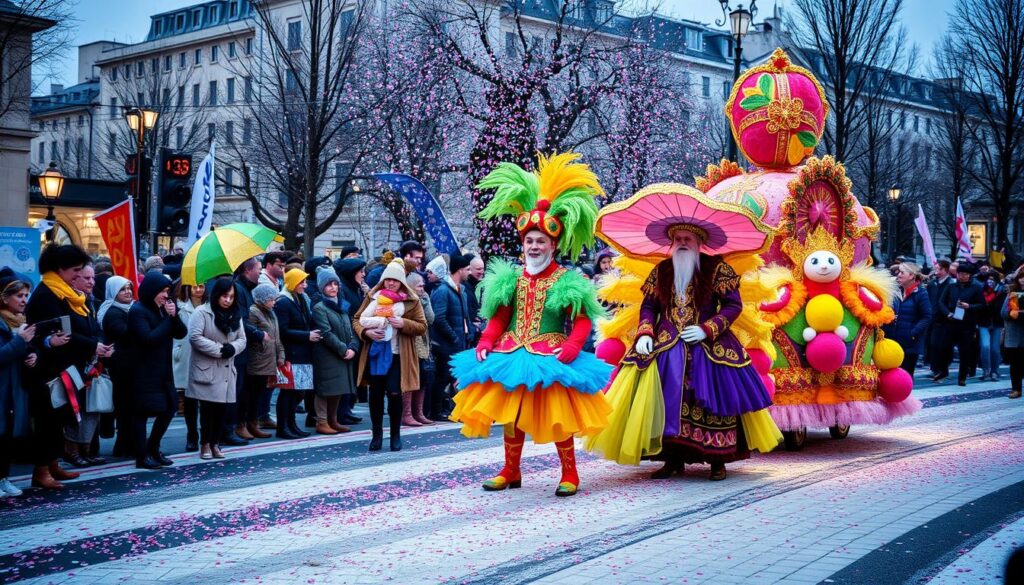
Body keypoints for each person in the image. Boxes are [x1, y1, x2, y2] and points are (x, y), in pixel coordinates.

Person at [449, 152, 614, 497]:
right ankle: (511, 470)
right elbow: (499, 318)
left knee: (559, 416)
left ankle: (569, 473)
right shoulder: (510, 279)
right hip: (511, 352)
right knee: (510, 416)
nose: (534, 246)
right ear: (522, 246)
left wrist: (571, 348)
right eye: (529, 241)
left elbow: (582, 321)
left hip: (551, 356)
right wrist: (485, 342)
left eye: (541, 241)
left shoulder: (567, 281)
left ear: (553, 245)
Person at [586, 219, 781, 481]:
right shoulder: (662, 271)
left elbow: (733, 306)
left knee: (714, 398)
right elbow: (649, 307)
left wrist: (708, 329)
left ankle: (717, 460)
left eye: (687, 239)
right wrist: (645, 331)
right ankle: (672, 460)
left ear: (700, 242)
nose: (682, 244)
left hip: (710, 346)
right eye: (677, 240)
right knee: (665, 401)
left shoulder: (717, 270)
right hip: (667, 344)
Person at [26, 245, 110, 490]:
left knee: (59, 420)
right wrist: (93, 346)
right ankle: (41, 470)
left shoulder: (64, 292)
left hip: (65, 366)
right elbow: (61, 333)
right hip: (48, 369)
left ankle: (52, 463)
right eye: (75, 270)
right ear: (59, 269)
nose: (78, 275)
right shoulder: (47, 294)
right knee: (47, 421)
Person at [353, 259, 427, 452]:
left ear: (401, 281)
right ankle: (376, 435)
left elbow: (422, 326)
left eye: (395, 280)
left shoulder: (411, 301)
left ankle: (395, 435)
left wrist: (403, 324)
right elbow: (357, 320)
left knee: (395, 393)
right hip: (375, 353)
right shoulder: (373, 297)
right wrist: (366, 333)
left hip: (398, 354)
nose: (391, 283)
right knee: (375, 394)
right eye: (387, 280)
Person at [128, 272, 187, 469]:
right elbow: (148, 338)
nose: (165, 296)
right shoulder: (138, 310)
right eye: (162, 292)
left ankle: (153, 447)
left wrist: (174, 316)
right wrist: (168, 320)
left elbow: (181, 332)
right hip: (143, 370)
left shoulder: (164, 309)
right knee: (141, 414)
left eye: (168, 292)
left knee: (170, 408)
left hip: (163, 369)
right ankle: (141, 454)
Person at [188, 277, 246, 459]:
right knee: (207, 410)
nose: (227, 300)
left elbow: (242, 339)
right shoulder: (202, 312)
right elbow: (195, 338)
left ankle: (215, 443)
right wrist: (221, 350)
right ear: (216, 295)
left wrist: (233, 348)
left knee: (221, 410)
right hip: (208, 367)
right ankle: (205, 444)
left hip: (227, 369)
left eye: (231, 297)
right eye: (224, 296)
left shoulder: (236, 314)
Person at [63, 264, 104, 467]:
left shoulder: (91, 300)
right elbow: (68, 334)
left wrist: (102, 344)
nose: (91, 282)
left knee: (90, 407)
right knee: (74, 407)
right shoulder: (68, 301)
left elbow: (96, 328)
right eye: (86, 278)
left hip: (91, 361)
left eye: (93, 278)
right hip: (73, 362)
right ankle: (72, 450)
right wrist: (94, 344)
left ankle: (86, 449)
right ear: (74, 279)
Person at [311, 267, 359, 434]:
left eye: (335, 284)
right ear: (321, 288)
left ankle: (333, 420)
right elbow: (326, 332)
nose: (333, 288)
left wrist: (353, 347)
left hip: (343, 353)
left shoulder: (342, 306)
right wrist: (343, 349)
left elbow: (351, 329)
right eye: (328, 285)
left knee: (338, 388)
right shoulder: (319, 308)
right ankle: (322, 421)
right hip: (327, 355)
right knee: (325, 389)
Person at [0, 277, 36, 497]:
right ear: (4, 298)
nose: (24, 300)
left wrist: (32, 355)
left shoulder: (20, 320)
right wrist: (20, 341)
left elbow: (27, 348)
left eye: (25, 295)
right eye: (19, 296)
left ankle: (4, 478)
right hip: (3, 387)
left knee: (7, 437)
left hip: (14, 387)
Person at [274, 268, 320, 439]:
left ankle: (291, 424)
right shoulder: (284, 302)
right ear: (293, 283)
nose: (305, 285)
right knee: (288, 392)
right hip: (292, 353)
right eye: (302, 282)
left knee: (298, 392)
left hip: (302, 352)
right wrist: (307, 335)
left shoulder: (298, 298)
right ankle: (283, 426)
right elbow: (283, 330)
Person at [428, 253, 471, 421]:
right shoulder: (443, 291)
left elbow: (464, 316)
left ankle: (457, 411)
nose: (469, 272)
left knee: (457, 377)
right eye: (467, 269)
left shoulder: (462, 291)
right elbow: (439, 317)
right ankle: (436, 411)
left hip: (460, 342)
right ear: (459, 270)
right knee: (443, 377)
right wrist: (454, 337)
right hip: (447, 344)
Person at [228, 257, 265, 444]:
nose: (261, 272)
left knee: (248, 389)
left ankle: (247, 422)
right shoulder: (239, 289)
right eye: (258, 269)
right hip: (240, 348)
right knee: (239, 390)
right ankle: (236, 425)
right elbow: (241, 319)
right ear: (247, 270)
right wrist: (258, 334)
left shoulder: (246, 289)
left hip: (247, 348)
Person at [98, 276, 134, 458]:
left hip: (128, 363)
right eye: (123, 289)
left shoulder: (131, 308)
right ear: (113, 292)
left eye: (129, 288)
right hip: (119, 365)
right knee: (124, 405)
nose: (128, 292)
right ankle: (123, 445)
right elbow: (128, 334)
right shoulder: (112, 312)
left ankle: (127, 442)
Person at [244, 284, 284, 439]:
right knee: (254, 394)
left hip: (269, 358)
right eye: (271, 299)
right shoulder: (254, 312)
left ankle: (257, 421)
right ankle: (252, 423)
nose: (274, 302)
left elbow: (276, 336)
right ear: (263, 300)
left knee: (260, 392)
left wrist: (280, 355)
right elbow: (253, 334)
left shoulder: (270, 312)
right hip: (258, 359)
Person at [936, 262, 985, 386]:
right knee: (943, 347)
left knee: (965, 351)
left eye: (965, 274)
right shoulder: (951, 286)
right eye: (960, 273)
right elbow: (941, 302)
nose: (962, 276)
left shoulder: (976, 288)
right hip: (951, 321)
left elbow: (982, 305)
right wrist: (948, 313)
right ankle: (943, 370)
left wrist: (969, 306)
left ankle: (962, 377)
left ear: (969, 275)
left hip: (967, 324)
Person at [173, 282, 205, 452]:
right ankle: (192, 435)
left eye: (201, 286)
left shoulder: (210, 305)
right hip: (186, 355)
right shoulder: (179, 307)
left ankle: (207, 435)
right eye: (195, 287)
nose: (198, 290)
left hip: (206, 355)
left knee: (207, 399)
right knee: (190, 400)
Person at [887, 262, 933, 376]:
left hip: (910, 344)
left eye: (902, 272)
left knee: (905, 376)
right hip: (893, 340)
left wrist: (913, 333)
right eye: (898, 272)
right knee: (891, 375)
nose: (898, 275)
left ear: (911, 276)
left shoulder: (921, 293)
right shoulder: (896, 291)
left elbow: (927, 317)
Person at [405, 272, 434, 426]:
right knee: (411, 377)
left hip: (423, 341)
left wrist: (426, 301)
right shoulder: (406, 300)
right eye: (419, 286)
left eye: (423, 285)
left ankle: (419, 412)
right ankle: (407, 413)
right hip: (410, 342)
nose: (423, 288)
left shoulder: (423, 299)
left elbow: (430, 319)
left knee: (422, 377)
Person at [927, 259, 955, 381]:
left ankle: (943, 368)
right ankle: (936, 368)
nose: (936, 271)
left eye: (938, 269)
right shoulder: (933, 283)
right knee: (933, 344)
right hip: (934, 317)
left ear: (945, 270)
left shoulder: (951, 283)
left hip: (946, 318)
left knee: (943, 345)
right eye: (936, 269)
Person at [978, 272, 1006, 381]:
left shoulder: (1001, 292)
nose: (990, 281)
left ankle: (995, 371)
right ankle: (986, 370)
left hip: (997, 323)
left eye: (993, 279)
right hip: (983, 322)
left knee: (995, 349)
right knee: (985, 346)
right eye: (988, 279)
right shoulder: (981, 291)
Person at [1001, 265, 1024, 399]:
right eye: (1021, 277)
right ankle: (1016, 389)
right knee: (1015, 364)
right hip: (1014, 334)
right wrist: (1012, 313)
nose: (1023, 280)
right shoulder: (1012, 293)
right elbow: (1003, 313)